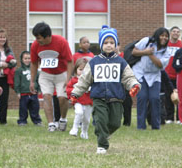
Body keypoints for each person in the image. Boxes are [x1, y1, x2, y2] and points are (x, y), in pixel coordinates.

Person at [71, 26, 140, 154]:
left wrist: (134, 86)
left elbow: (128, 77)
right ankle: (102, 145)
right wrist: (76, 93)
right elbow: (84, 79)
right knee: (101, 120)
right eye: (106, 42)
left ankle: (104, 134)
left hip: (116, 97)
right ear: (101, 44)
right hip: (99, 97)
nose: (109, 45)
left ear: (116, 44)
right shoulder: (94, 62)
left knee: (115, 123)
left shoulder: (121, 62)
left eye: (112, 43)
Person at [29, 22, 73, 132]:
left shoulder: (61, 42)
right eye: (36, 38)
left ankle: (62, 119)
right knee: (46, 96)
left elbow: (70, 61)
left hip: (61, 73)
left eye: (39, 38)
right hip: (45, 74)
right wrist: (32, 81)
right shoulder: (35, 45)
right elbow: (34, 63)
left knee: (62, 98)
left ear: (48, 36)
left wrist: (68, 79)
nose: (37, 40)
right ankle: (51, 124)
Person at [132, 27, 171, 130]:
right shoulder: (146, 41)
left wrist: (150, 54)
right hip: (140, 73)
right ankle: (141, 126)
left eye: (166, 36)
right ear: (157, 36)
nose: (164, 38)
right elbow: (134, 52)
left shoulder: (167, 51)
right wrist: (146, 52)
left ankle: (155, 125)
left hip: (155, 75)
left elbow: (160, 65)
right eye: (162, 35)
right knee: (142, 97)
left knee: (155, 99)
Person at [66, 58, 93, 139]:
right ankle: (74, 128)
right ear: (76, 70)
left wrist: (90, 89)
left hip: (89, 102)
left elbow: (96, 90)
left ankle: (84, 132)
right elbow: (68, 89)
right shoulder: (74, 80)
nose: (82, 72)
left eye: (85, 70)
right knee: (79, 113)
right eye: (80, 69)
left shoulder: (91, 80)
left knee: (86, 120)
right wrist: (74, 92)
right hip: (78, 101)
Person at [14, 51, 42, 126]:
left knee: (35, 108)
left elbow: (38, 80)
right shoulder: (19, 71)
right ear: (22, 59)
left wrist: (39, 89)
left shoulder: (35, 69)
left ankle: (37, 121)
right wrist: (18, 92)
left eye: (29, 58)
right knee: (23, 109)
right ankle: (22, 121)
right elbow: (16, 82)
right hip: (23, 93)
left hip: (33, 93)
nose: (27, 60)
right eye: (25, 58)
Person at [164, 26, 182, 124]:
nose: (176, 33)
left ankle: (179, 118)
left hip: (179, 74)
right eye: (174, 31)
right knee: (168, 96)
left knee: (179, 96)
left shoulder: (181, 44)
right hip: (167, 74)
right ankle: (169, 117)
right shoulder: (166, 44)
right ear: (170, 33)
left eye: (177, 32)